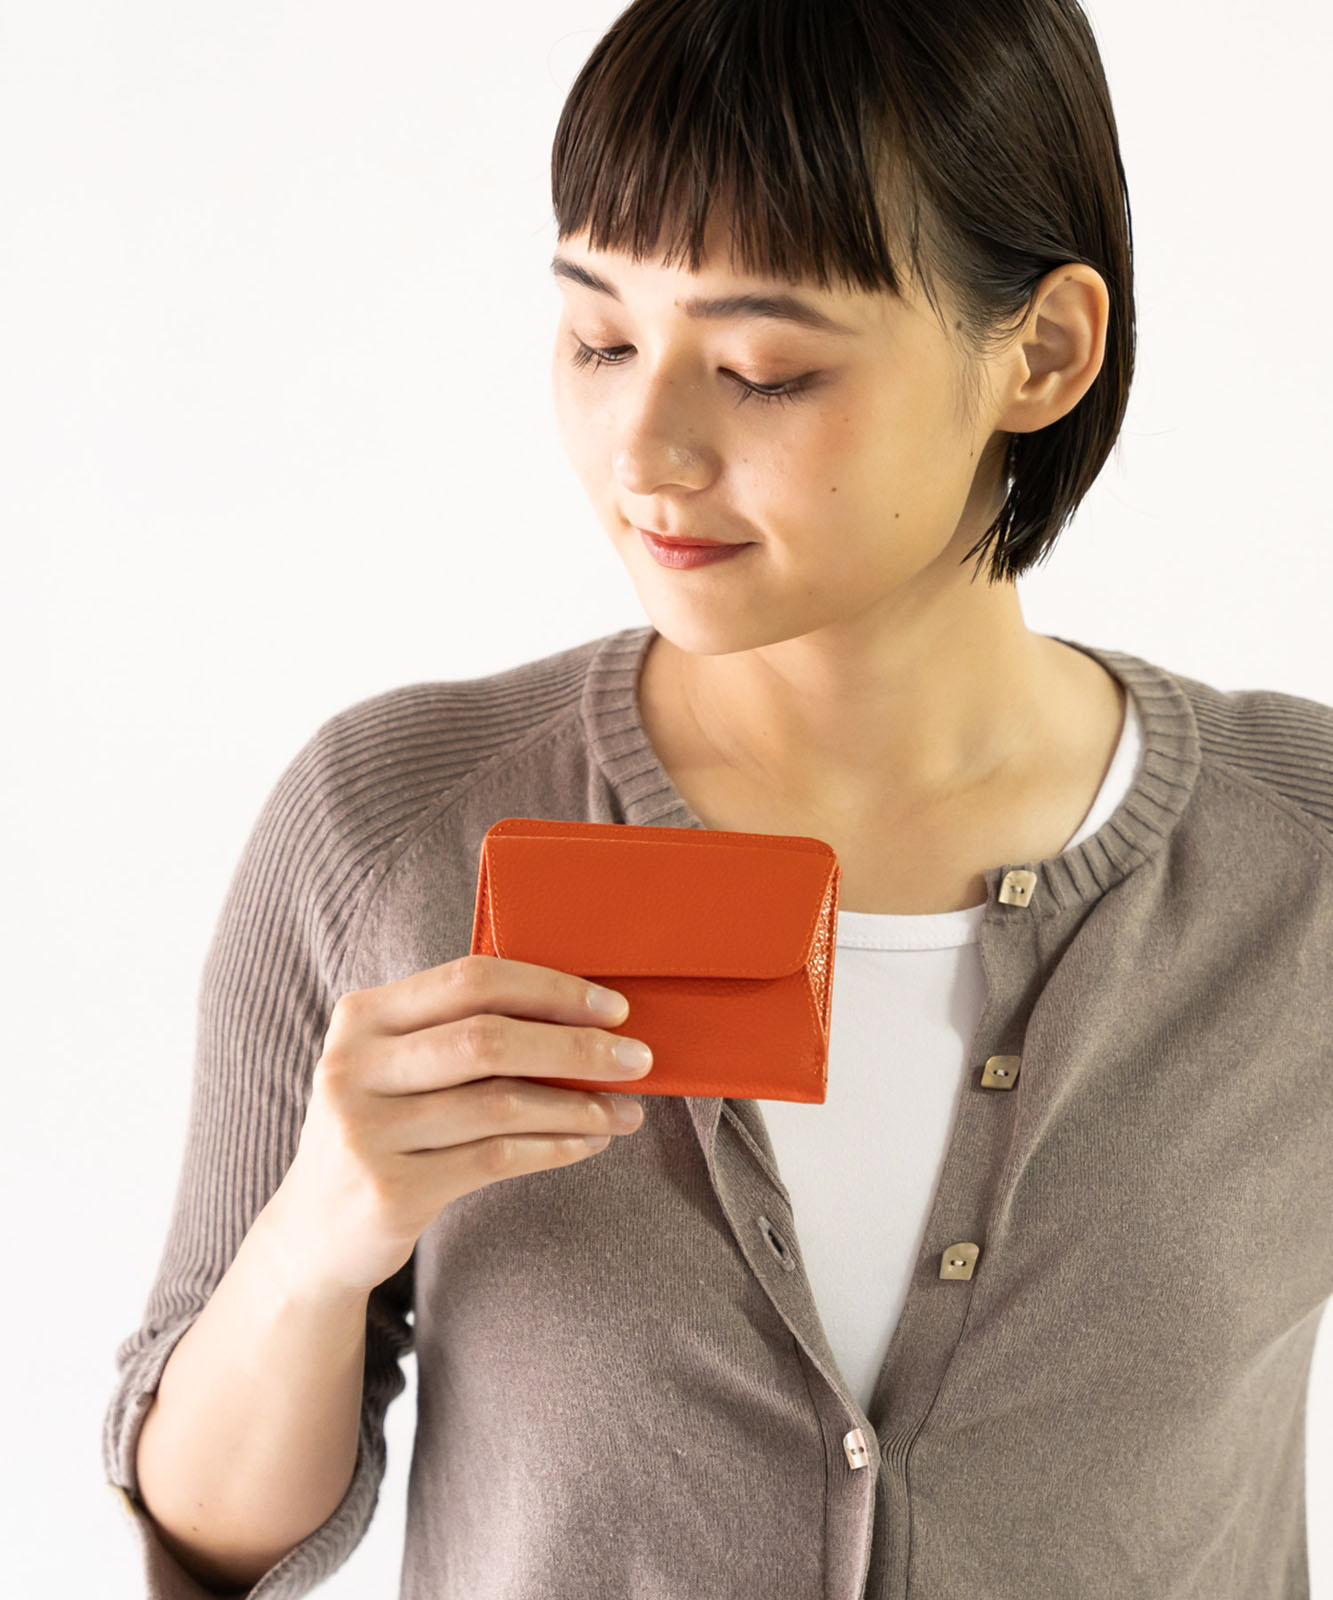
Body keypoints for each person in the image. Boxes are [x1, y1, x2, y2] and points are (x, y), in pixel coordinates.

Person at [102, 1, 1333, 1597]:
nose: (645, 452)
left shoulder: (1297, 865)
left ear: (1039, 352)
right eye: (599, 340)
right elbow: (207, 1542)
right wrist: (320, 1238)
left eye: (761, 369)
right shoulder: (393, 823)